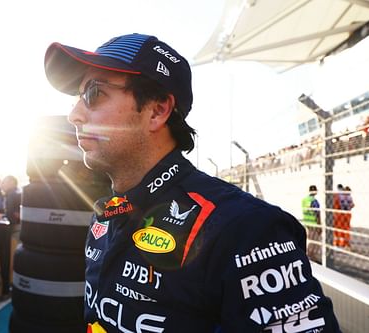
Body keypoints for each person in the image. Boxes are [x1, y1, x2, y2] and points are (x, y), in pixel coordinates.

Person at [44, 33, 341, 332]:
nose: (74, 115)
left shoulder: (245, 229)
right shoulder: (106, 216)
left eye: (93, 93)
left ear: (157, 110)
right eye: (76, 99)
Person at [302, 185, 321, 262]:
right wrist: (319, 225)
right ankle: (311, 255)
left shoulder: (304, 200)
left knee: (309, 239)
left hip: (307, 221)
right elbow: (317, 213)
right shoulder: (314, 201)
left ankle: (308, 253)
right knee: (314, 240)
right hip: (314, 222)